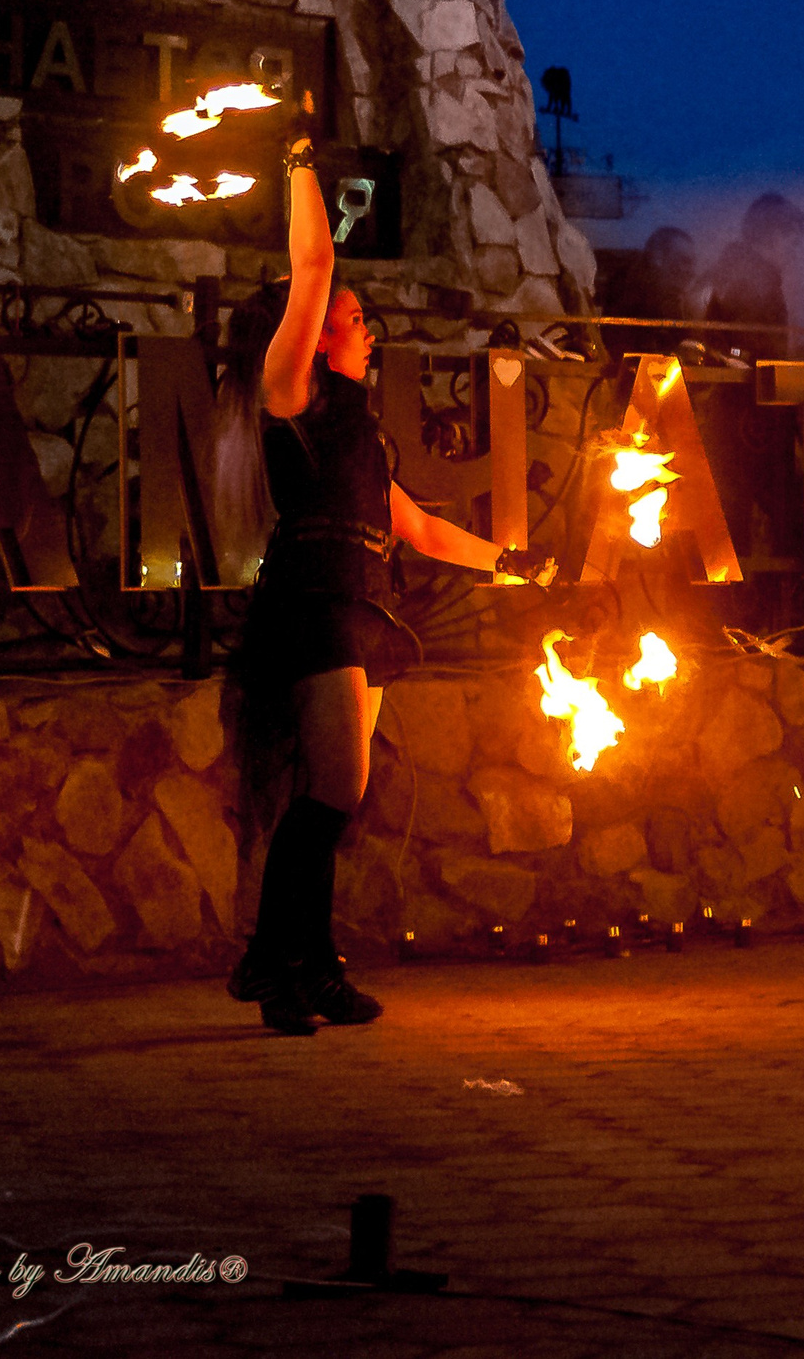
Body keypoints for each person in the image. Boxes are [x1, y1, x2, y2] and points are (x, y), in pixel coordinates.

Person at [218, 126, 550, 1034]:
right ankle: (278, 966)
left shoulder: (360, 431)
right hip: (315, 607)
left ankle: (300, 962)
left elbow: (417, 527)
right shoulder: (291, 395)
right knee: (332, 791)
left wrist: (508, 564)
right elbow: (315, 263)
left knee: (332, 798)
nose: (369, 329)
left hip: (365, 610)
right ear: (316, 333)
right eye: (354, 318)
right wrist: (296, 163)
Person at [703, 192, 804, 363]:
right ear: (774, 235)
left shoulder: (737, 272)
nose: (794, 253)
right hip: (746, 384)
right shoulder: (751, 280)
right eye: (792, 243)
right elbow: (740, 350)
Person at [602, 225, 701, 364]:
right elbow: (625, 354)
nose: (691, 272)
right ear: (658, 259)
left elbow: (690, 343)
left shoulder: (678, 302)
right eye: (684, 262)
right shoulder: (629, 296)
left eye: (692, 264)